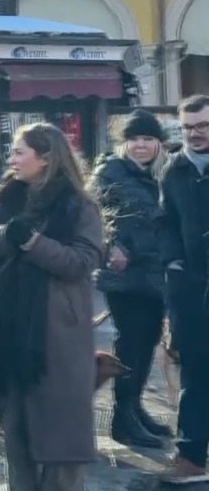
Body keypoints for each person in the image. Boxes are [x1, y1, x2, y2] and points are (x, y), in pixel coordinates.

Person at [0, 123, 104, 491]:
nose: (11, 158)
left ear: (45, 159)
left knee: (61, 443)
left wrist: (33, 242)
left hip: (57, 334)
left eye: (19, 151)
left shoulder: (78, 205)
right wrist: (5, 234)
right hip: (9, 329)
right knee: (17, 437)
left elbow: (82, 261)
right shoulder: (4, 197)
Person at [92, 110, 172, 449]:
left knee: (148, 343)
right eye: (134, 139)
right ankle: (122, 418)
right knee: (131, 345)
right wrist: (112, 246)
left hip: (157, 273)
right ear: (125, 143)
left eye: (147, 139)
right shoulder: (110, 172)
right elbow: (92, 216)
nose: (141, 145)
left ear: (158, 144)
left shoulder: (163, 173)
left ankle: (135, 408)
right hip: (125, 274)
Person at [159, 94, 209, 484]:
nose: (195, 134)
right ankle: (190, 454)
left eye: (203, 126)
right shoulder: (173, 169)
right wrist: (174, 261)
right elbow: (166, 223)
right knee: (195, 371)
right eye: (188, 127)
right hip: (192, 288)